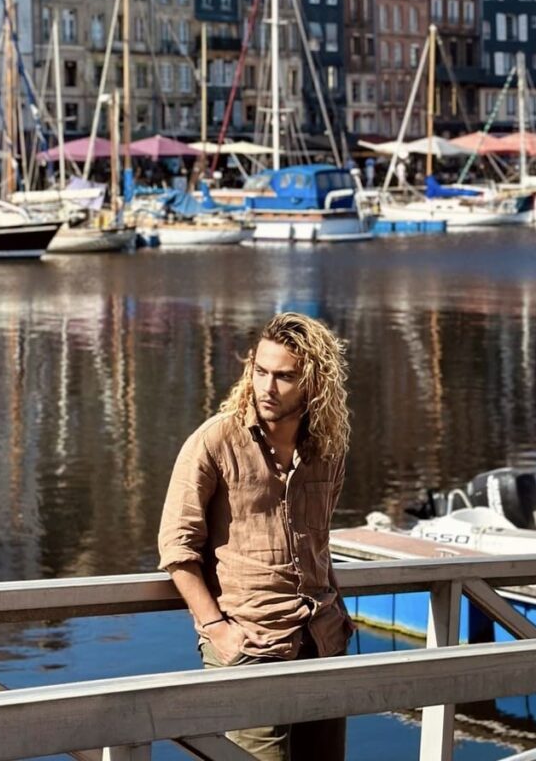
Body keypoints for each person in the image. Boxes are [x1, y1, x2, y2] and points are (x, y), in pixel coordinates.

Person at [158, 312, 354, 761]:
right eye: (260, 371)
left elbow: (319, 543)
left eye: (284, 376)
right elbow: (176, 548)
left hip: (322, 642)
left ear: (313, 384)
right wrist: (216, 630)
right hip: (250, 645)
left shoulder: (328, 449)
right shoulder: (214, 441)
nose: (268, 386)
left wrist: (335, 619)